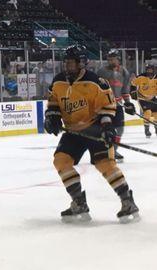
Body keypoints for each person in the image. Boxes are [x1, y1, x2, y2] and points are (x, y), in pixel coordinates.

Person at [45, 45, 139, 223]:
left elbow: (107, 107)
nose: (68, 66)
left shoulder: (96, 81)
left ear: (81, 63)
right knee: (61, 161)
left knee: (105, 164)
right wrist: (52, 118)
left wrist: (106, 127)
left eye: (72, 63)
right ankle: (79, 202)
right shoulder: (58, 81)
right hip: (73, 131)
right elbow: (53, 103)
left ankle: (127, 201)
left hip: (95, 128)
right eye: (67, 63)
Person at [97, 49, 136, 162]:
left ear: (118, 59)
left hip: (118, 105)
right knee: (106, 129)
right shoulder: (101, 71)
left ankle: (114, 150)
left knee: (119, 129)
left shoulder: (124, 72)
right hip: (104, 105)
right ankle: (102, 150)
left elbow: (125, 89)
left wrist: (128, 102)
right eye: (109, 59)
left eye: (112, 59)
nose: (110, 61)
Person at [130, 62, 157, 137]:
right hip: (142, 99)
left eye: (151, 70)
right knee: (147, 113)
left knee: (156, 115)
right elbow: (132, 84)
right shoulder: (141, 77)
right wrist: (132, 92)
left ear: (154, 70)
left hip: (153, 98)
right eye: (148, 70)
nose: (149, 72)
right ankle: (147, 129)